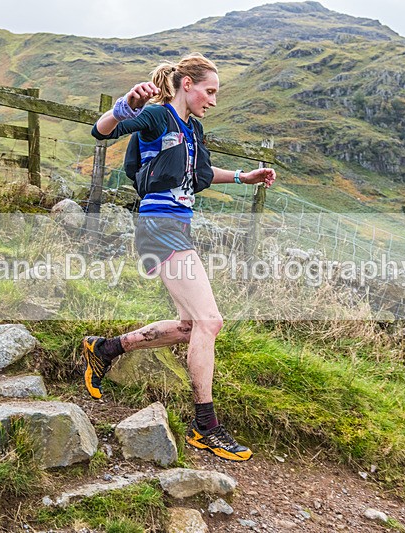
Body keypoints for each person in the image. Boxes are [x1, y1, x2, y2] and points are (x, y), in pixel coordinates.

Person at [84, 53, 276, 462]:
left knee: (191, 326)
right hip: (158, 226)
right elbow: (102, 131)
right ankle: (205, 426)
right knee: (210, 321)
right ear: (187, 84)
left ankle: (105, 350)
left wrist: (243, 177)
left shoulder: (193, 129)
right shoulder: (156, 116)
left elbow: (201, 175)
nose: (213, 100)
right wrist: (126, 105)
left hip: (178, 228)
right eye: (210, 91)